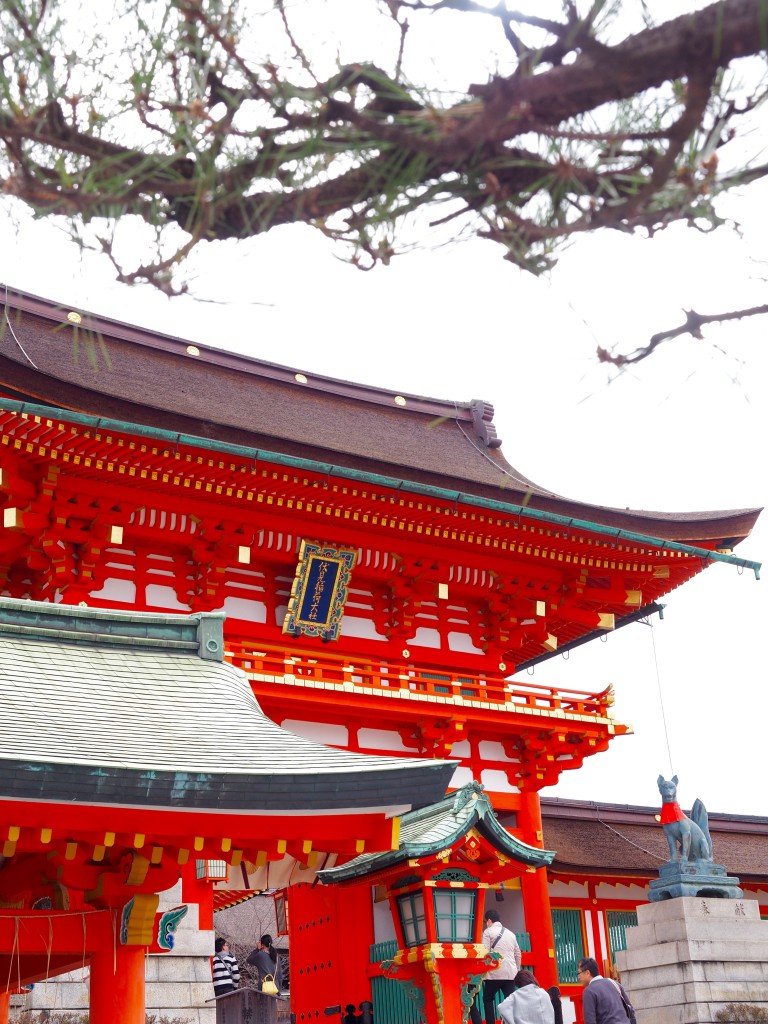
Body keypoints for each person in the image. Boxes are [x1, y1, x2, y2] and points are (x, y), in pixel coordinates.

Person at [470, 909, 522, 1024]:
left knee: (488, 999)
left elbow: (485, 952)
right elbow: (518, 954)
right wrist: (517, 970)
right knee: (511, 1001)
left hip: (494, 973)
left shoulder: (488, 932)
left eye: (486, 922)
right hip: (510, 974)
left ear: (489, 920)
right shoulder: (511, 934)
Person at [578, 957, 636, 1024]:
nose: (578, 977)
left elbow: (590, 1021)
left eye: (579, 973)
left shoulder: (589, 991)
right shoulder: (615, 983)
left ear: (587, 973)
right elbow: (630, 1008)